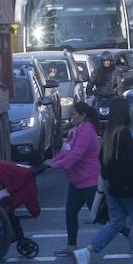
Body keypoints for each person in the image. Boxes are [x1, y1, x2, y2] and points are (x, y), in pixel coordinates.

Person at [73, 97, 133, 264]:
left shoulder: (108, 133)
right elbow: (131, 160)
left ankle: (87, 251)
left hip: (111, 185)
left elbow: (105, 161)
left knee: (116, 221)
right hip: (127, 186)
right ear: (125, 113)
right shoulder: (124, 134)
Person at [47, 101, 100, 254]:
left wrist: (58, 165)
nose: (72, 117)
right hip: (77, 181)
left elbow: (77, 155)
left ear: (83, 116)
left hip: (89, 181)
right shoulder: (76, 130)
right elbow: (66, 150)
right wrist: (54, 161)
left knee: (100, 217)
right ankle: (71, 245)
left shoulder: (86, 132)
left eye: (74, 114)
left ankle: (127, 233)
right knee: (70, 213)